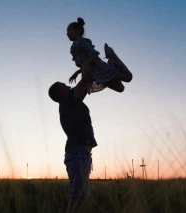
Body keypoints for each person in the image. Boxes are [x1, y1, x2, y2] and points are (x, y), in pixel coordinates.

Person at [48, 68, 96, 213]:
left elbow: (85, 82)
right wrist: (82, 69)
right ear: (59, 92)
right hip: (78, 154)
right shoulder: (68, 99)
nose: (68, 85)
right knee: (77, 197)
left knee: (80, 197)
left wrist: (81, 70)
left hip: (80, 153)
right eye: (64, 85)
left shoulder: (71, 102)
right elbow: (86, 79)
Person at [67, 17, 133, 94]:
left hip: (101, 69)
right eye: (67, 32)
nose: (68, 33)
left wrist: (86, 63)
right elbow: (86, 65)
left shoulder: (80, 41)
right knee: (121, 89)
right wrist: (77, 72)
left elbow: (95, 54)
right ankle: (112, 67)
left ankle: (112, 55)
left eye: (69, 30)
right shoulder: (74, 47)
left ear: (77, 30)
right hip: (96, 74)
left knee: (128, 77)